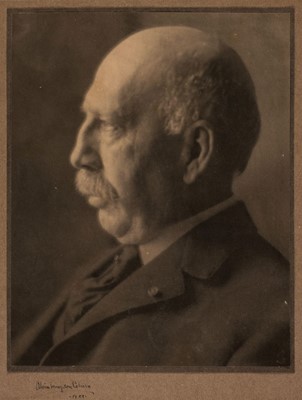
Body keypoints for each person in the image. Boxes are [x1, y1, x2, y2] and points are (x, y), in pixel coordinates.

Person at [12, 26, 290, 367]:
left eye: (110, 125)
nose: (79, 154)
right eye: (88, 119)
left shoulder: (274, 318)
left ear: (194, 152)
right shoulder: (107, 267)